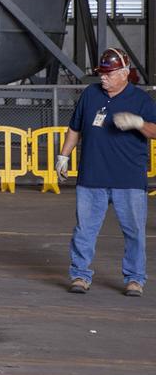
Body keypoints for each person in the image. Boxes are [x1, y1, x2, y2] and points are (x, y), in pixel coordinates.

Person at [56, 47, 153, 297]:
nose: (103, 78)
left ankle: (134, 279)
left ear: (124, 73)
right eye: (102, 73)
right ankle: (80, 274)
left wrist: (139, 123)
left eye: (109, 74)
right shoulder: (90, 95)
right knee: (84, 230)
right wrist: (63, 156)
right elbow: (75, 128)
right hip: (92, 177)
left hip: (128, 179)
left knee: (134, 232)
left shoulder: (141, 100)